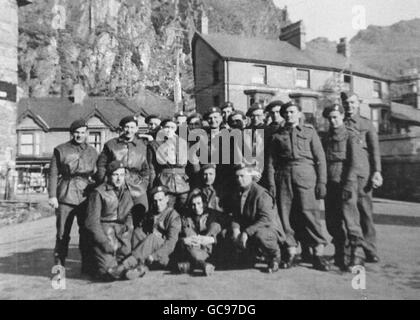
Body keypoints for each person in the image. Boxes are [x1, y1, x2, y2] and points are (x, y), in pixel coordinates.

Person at [267, 101, 330, 271]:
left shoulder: (310, 132)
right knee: (285, 216)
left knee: (310, 214)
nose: (289, 115)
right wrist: (272, 183)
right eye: (286, 112)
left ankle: (318, 253)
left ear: (299, 113)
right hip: (284, 177)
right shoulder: (277, 135)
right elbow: (271, 162)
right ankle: (291, 252)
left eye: (292, 112)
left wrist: (322, 182)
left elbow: (320, 159)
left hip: (306, 175)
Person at [48, 119, 98, 273]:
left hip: (85, 195)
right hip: (65, 194)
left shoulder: (92, 151)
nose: (79, 135)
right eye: (77, 132)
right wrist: (52, 196)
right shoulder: (61, 149)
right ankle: (59, 268)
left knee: (86, 231)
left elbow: (97, 173)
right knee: (62, 233)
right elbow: (53, 173)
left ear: (87, 133)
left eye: (83, 132)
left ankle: (88, 266)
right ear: (72, 133)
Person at [85, 160, 145, 281]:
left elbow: (129, 213)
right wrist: (103, 242)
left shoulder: (128, 191)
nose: (119, 179)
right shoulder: (99, 193)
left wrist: (129, 228)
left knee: (127, 258)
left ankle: (125, 270)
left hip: (122, 234)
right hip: (105, 233)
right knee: (108, 272)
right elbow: (92, 222)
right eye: (115, 175)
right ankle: (122, 271)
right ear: (108, 176)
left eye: (122, 175)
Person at [322, 104, 365, 271]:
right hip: (330, 183)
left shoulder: (350, 136)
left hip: (346, 182)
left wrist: (348, 183)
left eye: (336, 117)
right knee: (332, 220)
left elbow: (354, 162)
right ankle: (340, 253)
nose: (333, 121)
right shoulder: (325, 137)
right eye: (330, 118)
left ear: (341, 116)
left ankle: (357, 255)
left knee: (350, 219)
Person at [223, 163, 287, 273]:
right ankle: (252, 254)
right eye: (237, 176)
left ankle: (275, 256)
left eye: (242, 176)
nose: (239, 179)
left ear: (251, 176)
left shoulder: (261, 194)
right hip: (251, 228)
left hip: (268, 229)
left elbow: (266, 219)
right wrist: (235, 229)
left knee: (260, 236)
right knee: (227, 233)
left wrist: (246, 232)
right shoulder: (238, 192)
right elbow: (235, 215)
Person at [342, 92, 382, 263]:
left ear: (358, 103)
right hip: (345, 175)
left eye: (352, 102)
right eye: (346, 103)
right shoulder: (339, 123)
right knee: (347, 214)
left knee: (365, 212)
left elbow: (374, 150)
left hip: (363, 175)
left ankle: (370, 249)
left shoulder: (366, 124)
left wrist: (377, 171)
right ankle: (350, 250)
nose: (349, 106)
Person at [96, 115, 150, 226]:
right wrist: (105, 181)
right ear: (122, 128)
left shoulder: (143, 146)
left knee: (141, 215)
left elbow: (146, 169)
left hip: (137, 186)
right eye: (126, 127)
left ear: (136, 129)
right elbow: (101, 165)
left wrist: (144, 184)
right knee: (119, 217)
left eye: (132, 127)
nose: (129, 130)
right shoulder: (111, 145)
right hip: (116, 185)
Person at [131, 186, 182, 272]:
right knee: (137, 232)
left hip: (165, 255)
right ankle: (140, 266)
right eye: (155, 201)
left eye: (160, 200)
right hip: (151, 253)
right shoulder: (151, 214)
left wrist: (154, 256)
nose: (157, 204)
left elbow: (171, 244)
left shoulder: (173, 215)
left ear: (167, 199)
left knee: (152, 238)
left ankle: (129, 264)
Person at [177, 190, 227, 276]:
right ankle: (203, 265)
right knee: (187, 231)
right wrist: (184, 240)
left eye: (199, 203)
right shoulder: (185, 218)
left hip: (211, 250)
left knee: (215, 226)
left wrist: (211, 239)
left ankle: (196, 264)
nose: (196, 207)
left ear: (204, 203)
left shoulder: (214, 214)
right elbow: (176, 236)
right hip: (195, 250)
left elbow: (227, 230)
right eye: (193, 204)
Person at [149, 119, 190, 211]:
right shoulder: (155, 144)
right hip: (164, 181)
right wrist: (152, 187)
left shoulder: (183, 143)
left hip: (182, 183)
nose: (169, 129)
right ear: (162, 128)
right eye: (167, 127)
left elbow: (187, 164)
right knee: (167, 209)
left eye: (172, 127)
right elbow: (152, 168)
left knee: (184, 208)